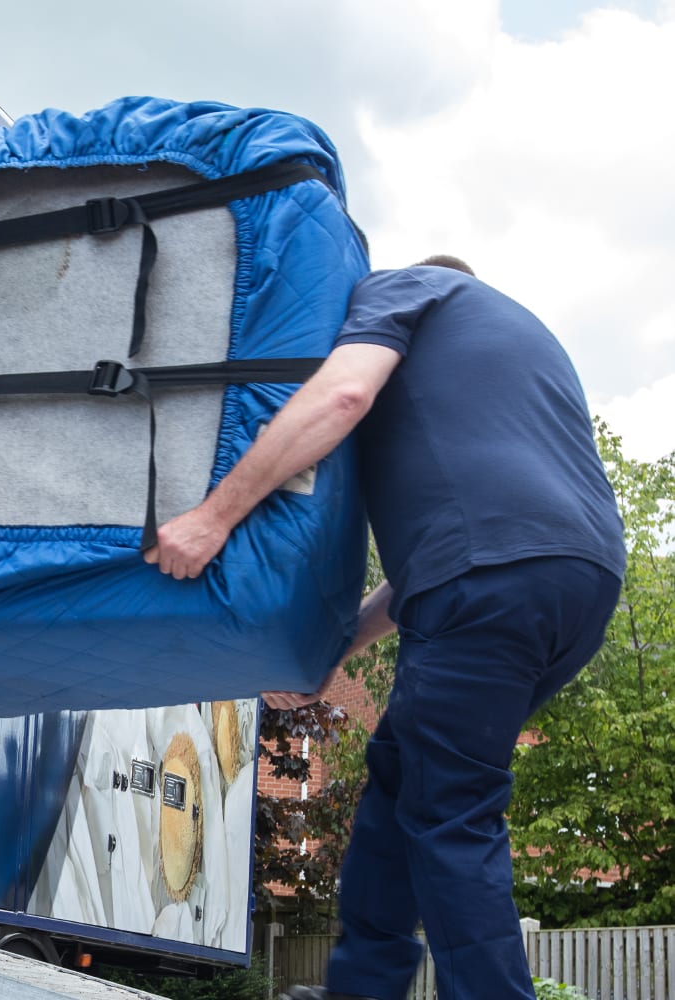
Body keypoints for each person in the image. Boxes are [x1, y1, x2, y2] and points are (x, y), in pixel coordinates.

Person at [145, 256, 625, 1000]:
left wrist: (213, 518)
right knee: (402, 779)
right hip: (573, 584)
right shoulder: (519, 343)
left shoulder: (409, 287)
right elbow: (435, 568)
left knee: (449, 810)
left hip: (488, 580)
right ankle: (361, 988)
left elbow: (340, 395)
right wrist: (331, 655)